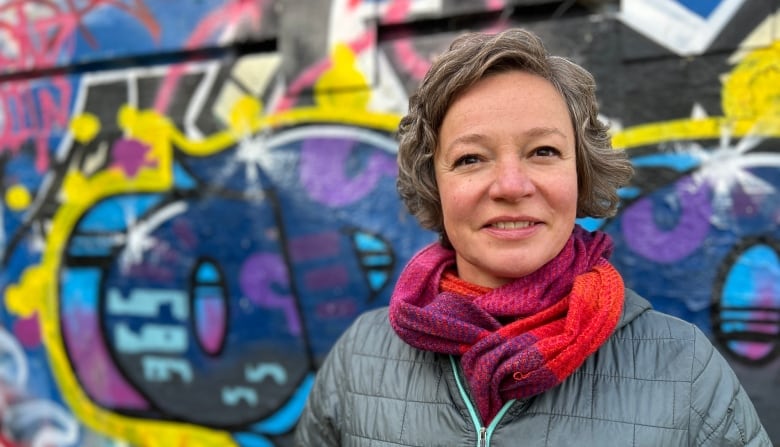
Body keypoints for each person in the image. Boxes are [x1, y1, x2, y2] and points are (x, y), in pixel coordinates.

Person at [294, 28, 771, 446]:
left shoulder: (683, 367)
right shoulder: (359, 359)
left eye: (543, 151)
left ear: (581, 174)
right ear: (433, 183)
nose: (511, 185)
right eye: (470, 159)